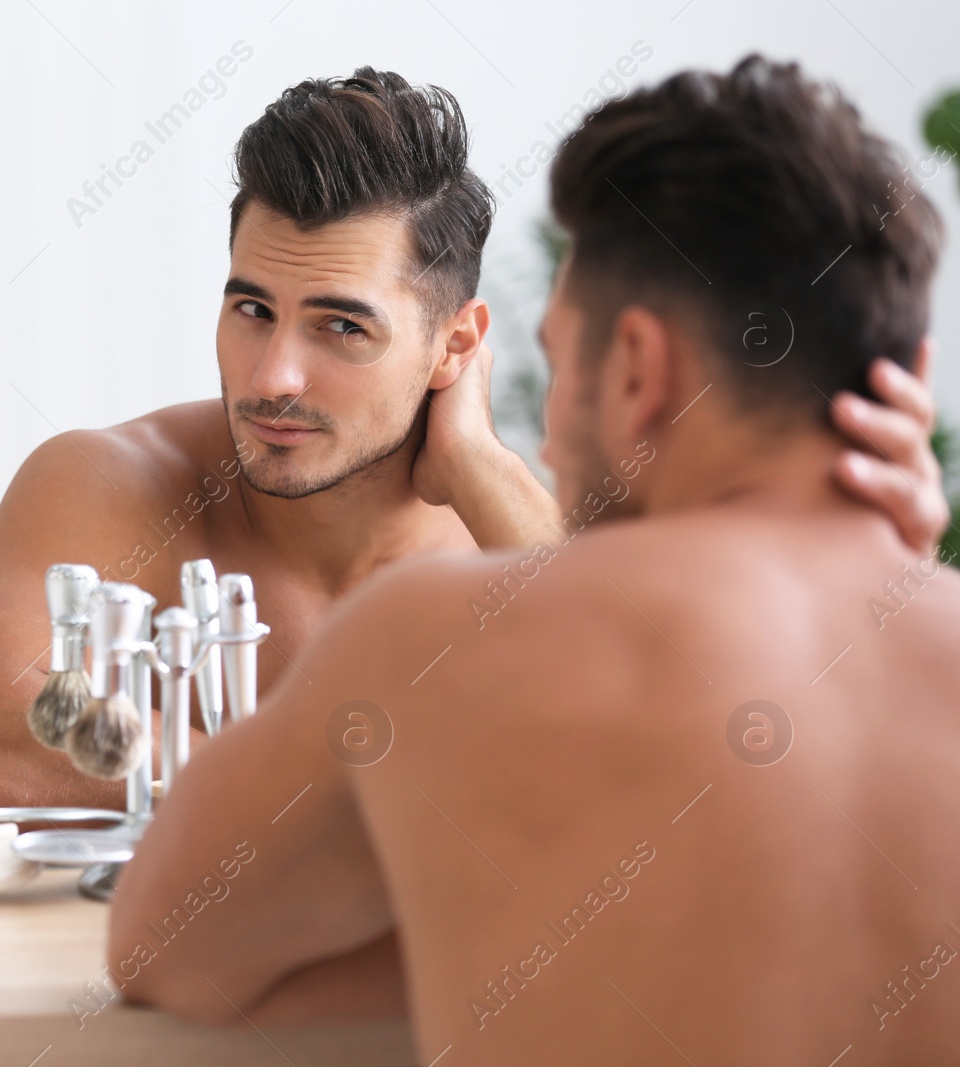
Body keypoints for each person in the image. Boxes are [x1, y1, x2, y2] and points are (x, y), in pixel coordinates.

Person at [110, 56, 960, 1063]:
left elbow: (163, 945)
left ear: (637, 369)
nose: (547, 437)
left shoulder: (424, 641)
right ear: (907, 374)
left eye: (559, 358)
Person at [0, 67, 950, 834]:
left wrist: (485, 475)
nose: (272, 374)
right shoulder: (110, 484)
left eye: (341, 327)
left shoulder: (515, 534)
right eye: (251, 308)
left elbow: (668, 767)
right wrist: (379, 812)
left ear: (453, 344)